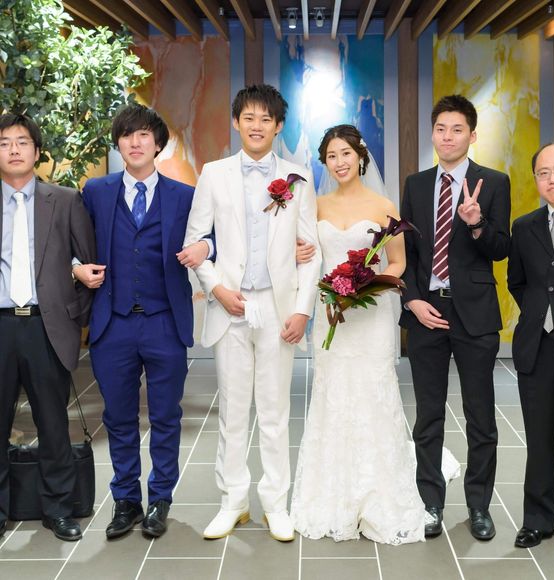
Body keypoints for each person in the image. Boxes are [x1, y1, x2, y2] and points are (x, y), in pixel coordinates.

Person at [179, 84, 321, 542]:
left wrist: (302, 309)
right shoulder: (214, 173)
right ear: (236, 122)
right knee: (233, 410)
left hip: (279, 309)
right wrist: (217, 288)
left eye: (266, 119)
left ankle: (276, 504)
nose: (257, 126)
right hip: (232, 305)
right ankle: (233, 502)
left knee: (276, 411)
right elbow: (195, 241)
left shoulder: (298, 177)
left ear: (278, 127)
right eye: (249, 118)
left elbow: (311, 250)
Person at [73, 104, 210, 539]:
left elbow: (214, 237)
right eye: (127, 135)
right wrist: (77, 267)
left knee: (166, 415)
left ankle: (160, 498)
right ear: (118, 143)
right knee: (118, 417)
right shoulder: (95, 191)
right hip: (112, 322)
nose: (135, 142)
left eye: (144, 135)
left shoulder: (184, 196)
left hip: (165, 321)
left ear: (158, 143)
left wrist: (205, 246)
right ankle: (126, 500)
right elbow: (72, 240)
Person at [290, 124, 425, 544]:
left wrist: (364, 288)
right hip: (332, 315)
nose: (339, 162)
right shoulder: (315, 206)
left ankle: (380, 495)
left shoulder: (383, 205)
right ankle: (334, 494)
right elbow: (304, 254)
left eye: (345, 153)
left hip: (371, 316)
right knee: (334, 396)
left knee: (372, 393)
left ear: (361, 156)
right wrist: (301, 255)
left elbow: (397, 263)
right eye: (331, 156)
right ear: (325, 163)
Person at [400, 95, 511, 540]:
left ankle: (479, 506)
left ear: (472, 135)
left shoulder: (493, 182)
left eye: (457, 129)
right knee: (428, 415)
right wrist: (411, 300)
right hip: (427, 312)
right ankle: (430, 503)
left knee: (480, 415)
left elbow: (500, 249)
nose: (447, 137)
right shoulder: (415, 184)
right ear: (432, 133)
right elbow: (406, 252)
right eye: (441, 129)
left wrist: (477, 223)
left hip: (475, 313)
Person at [0, 113, 95, 541]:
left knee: (53, 424)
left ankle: (58, 508)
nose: (13, 150)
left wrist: (74, 319)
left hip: (45, 328)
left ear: (37, 152)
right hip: (1, 325)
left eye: (22, 142)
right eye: (4, 143)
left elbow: (88, 263)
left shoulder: (65, 199)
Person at [508, 142, 554, 556]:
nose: (553, 179)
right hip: (536, 347)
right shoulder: (524, 226)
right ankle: (537, 520)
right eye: (543, 173)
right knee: (539, 440)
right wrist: (542, 315)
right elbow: (517, 282)